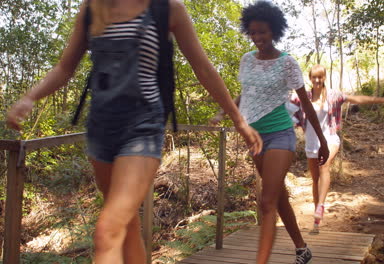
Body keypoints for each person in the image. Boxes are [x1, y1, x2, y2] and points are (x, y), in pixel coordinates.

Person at [6, 0, 262, 263]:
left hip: (143, 126)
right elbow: (64, 68)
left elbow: (204, 69)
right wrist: (30, 98)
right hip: (101, 128)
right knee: (125, 229)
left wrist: (238, 119)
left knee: (109, 229)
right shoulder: (93, 8)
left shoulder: (167, 9)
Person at [211, 2, 329, 264]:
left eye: (262, 32)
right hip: (256, 139)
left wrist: (321, 140)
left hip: (280, 135)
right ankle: (302, 248)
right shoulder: (246, 60)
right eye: (252, 33)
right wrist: (222, 112)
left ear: (273, 31)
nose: (257, 38)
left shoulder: (287, 63)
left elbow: (306, 104)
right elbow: (246, 94)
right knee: (278, 198)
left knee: (266, 200)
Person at [294, 64, 384, 232]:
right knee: (315, 179)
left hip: (331, 139)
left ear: (325, 78)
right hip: (311, 143)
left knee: (324, 166)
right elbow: (286, 107)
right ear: (310, 78)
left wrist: (382, 99)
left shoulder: (334, 95)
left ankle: (320, 206)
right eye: (314, 77)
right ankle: (316, 219)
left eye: (320, 77)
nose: (317, 80)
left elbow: (359, 99)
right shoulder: (304, 97)